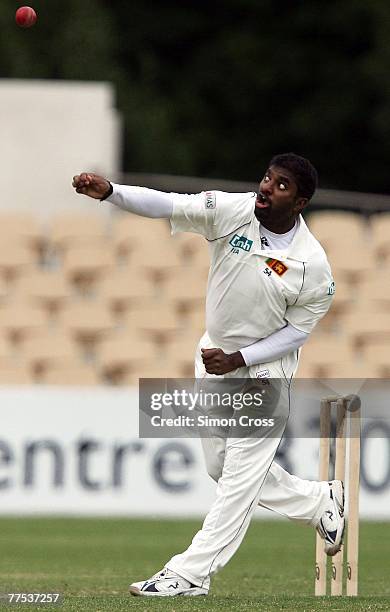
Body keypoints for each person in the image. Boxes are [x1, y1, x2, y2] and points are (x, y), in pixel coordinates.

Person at [72, 153, 344, 598]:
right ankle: (317, 501)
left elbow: (298, 331)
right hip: (214, 355)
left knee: (238, 481)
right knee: (219, 467)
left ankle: (189, 573)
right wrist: (112, 193)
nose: (266, 188)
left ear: (300, 203)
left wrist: (241, 358)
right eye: (267, 178)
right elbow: (170, 205)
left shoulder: (311, 264)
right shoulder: (233, 211)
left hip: (262, 372)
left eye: (281, 186)